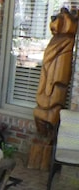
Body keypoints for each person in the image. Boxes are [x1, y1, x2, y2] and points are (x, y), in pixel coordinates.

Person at [33, 8, 79, 139]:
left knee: (50, 113)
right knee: (39, 112)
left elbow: (61, 75)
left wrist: (53, 83)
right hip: (46, 88)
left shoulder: (67, 42)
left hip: (53, 92)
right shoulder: (55, 41)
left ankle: (48, 137)